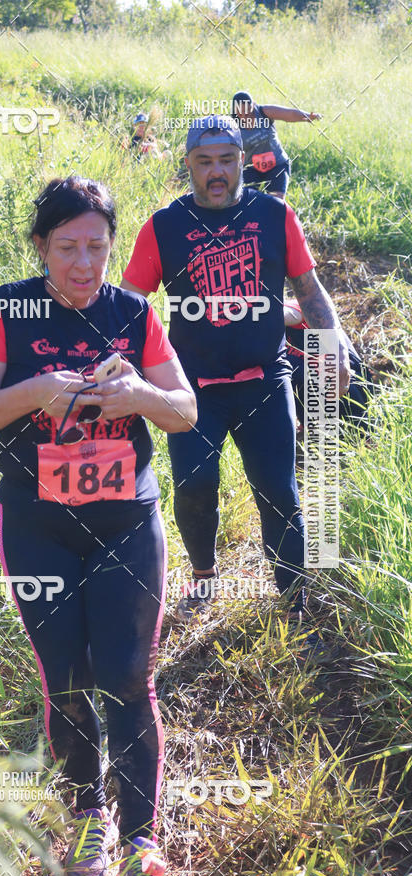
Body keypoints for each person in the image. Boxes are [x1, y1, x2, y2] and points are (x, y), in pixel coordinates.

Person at [0, 175, 196, 876]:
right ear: (40, 247)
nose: (84, 264)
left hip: (126, 522)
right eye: (67, 249)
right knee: (65, 682)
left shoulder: (132, 311)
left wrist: (141, 396)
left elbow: (182, 410)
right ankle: (91, 817)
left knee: (126, 675)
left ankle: (143, 844)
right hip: (38, 526)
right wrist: (33, 392)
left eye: (96, 247)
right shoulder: (8, 307)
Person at [120, 115, 350, 634]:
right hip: (193, 388)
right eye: (204, 163)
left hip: (265, 379)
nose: (216, 172)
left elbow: (309, 291)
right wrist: (123, 367)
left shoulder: (274, 215)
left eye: (226, 160)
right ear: (188, 166)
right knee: (195, 487)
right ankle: (203, 576)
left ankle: (294, 598)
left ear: (242, 162)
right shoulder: (165, 226)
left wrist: (332, 348)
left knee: (278, 490)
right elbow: (132, 304)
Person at [285, 298, 373, 431]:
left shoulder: (295, 307)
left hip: (348, 389)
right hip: (315, 406)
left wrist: (258, 319)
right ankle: (309, 427)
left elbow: (292, 312)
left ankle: (365, 436)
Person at [231, 90, 322, 200]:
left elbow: (289, 114)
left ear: (253, 104)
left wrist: (308, 117)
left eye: (248, 112)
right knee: (246, 202)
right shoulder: (232, 126)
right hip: (251, 169)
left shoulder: (264, 112)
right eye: (241, 113)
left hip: (277, 165)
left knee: (276, 202)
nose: (245, 116)